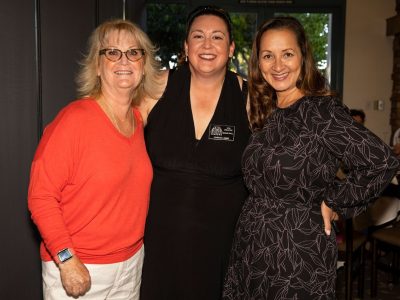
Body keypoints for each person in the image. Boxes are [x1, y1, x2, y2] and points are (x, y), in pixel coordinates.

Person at [222, 16, 399, 299]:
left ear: (303, 57)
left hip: (297, 250)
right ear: (259, 62)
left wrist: (335, 201)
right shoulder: (266, 110)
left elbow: (381, 161)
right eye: (268, 56)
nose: (277, 65)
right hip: (252, 244)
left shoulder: (321, 111)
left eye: (287, 54)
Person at [28, 19, 164, 299]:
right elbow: (41, 197)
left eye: (134, 53)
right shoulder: (74, 120)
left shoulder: (137, 119)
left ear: (143, 65)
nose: (123, 61)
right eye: (112, 52)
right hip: (80, 266)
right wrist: (66, 260)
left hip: (130, 264)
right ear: (97, 66)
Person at [138, 5, 251, 300]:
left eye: (217, 37)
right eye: (198, 36)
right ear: (186, 46)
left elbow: (283, 160)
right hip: (159, 246)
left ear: (231, 47)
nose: (207, 45)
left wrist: (319, 198)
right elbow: (117, 139)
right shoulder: (157, 87)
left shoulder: (250, 99)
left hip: (222, 251)